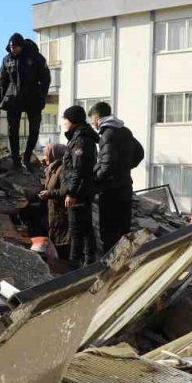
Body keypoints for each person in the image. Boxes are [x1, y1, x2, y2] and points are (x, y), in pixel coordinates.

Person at [89, 101, 145, 253]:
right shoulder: (125, 131)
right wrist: (125, 168)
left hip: (110, 191)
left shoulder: (107, 134)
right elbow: (140, 153)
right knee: (123, 230)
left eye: (92, 119)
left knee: (109, 232)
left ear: (96, 117)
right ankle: (125, 267)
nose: (92, 123)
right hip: (125, 186)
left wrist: (95, 180)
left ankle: (112, 269)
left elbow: (107, 166)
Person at [0, 32, 50, 169]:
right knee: (13, 129)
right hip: (13, 97)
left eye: (15, 47)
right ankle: (15, 160)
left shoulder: (35, 57)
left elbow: (45, 78)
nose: (13, 49)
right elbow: (2, 82)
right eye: (11, 47)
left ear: (22, 46)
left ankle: (27, 156)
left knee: (34, 129)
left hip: (33, 96)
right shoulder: (7, 60)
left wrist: (42, 96)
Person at [60, 105, 98, 268]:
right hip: (84, 189)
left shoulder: (81, 139)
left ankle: (75, 265)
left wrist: (71, 193)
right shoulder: (80, 136)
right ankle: (89, 261)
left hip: (80, 191)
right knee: (86, 227)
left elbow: (79, 168)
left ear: (72, 121)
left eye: (66, 120)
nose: (64, 123)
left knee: (77, 230)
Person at [37, 142, 70, 253]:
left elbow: (65, 191)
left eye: (46, 154)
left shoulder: (63, 169)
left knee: (61, 244)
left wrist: (49, 193)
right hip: (54, 213)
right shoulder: (52, 168)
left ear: (53, 154)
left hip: (61, 214)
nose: (44, 157)